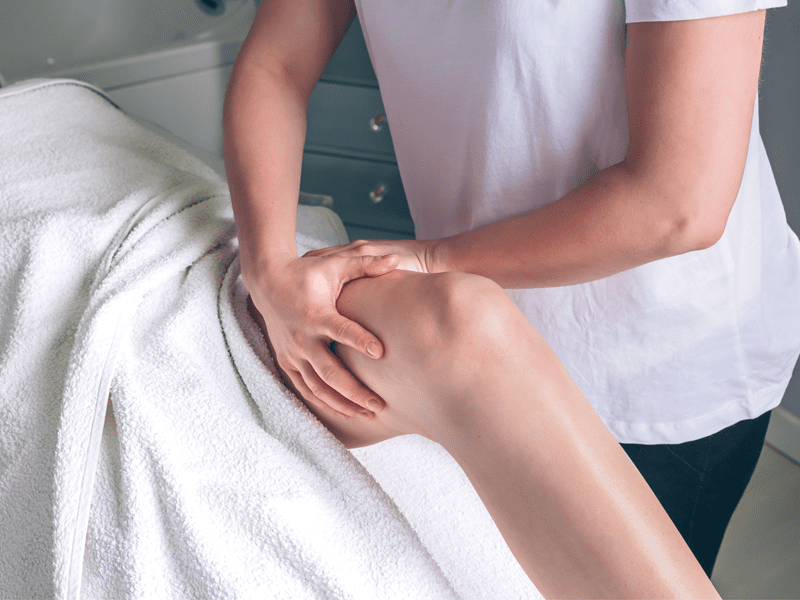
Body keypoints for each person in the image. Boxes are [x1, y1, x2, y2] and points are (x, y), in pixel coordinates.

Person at [223, 0, 800, 595]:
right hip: (482, 343)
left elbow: (680, 206)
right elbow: (277, 64)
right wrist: (270, 271)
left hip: (659, 359)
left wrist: (432, 258)